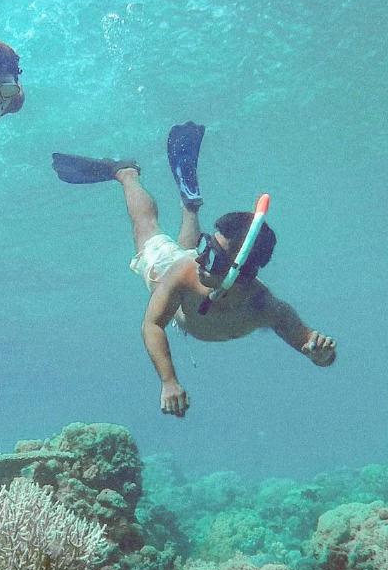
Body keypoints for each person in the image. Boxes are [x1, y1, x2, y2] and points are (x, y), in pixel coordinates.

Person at [52, 123, 336, 417]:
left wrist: (322, 355)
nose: (200, 259)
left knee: (184, 254)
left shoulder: (268, 308)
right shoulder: (185, 272)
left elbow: (313, 348)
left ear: (241, 273)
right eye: (205, 246)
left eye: (210, 257)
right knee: (145, 230)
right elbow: (152, 324)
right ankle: (126, 173)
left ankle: (190, 206)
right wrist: (168, 381)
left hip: (189, 289)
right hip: (167, 273)